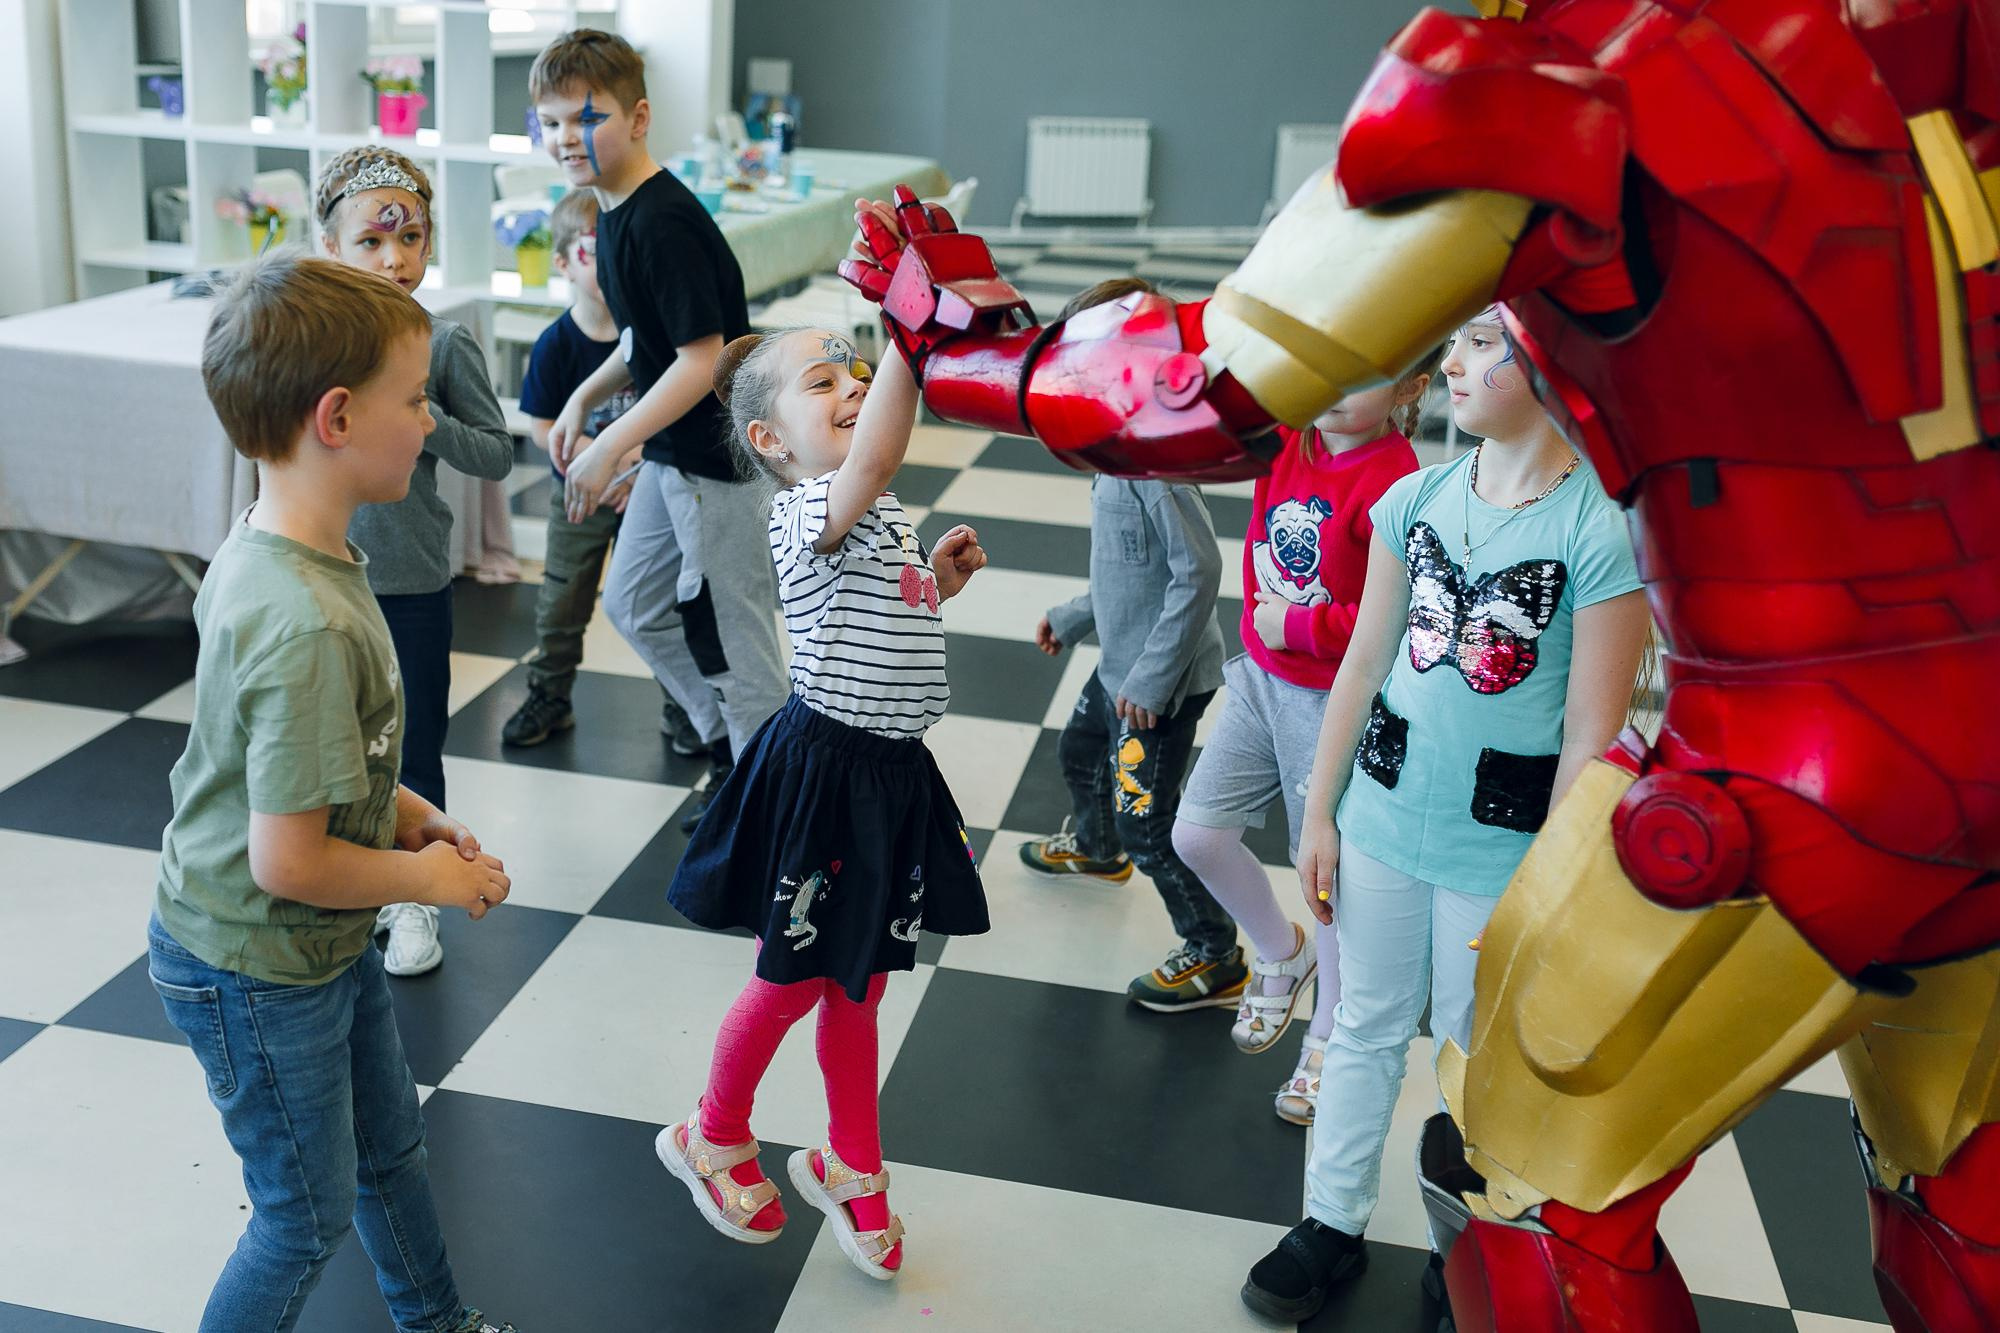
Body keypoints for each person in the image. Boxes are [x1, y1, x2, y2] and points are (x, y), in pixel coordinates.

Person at [1239, 307, 1650, 1322]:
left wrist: (1553, 889)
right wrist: (1317, 814)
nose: (1454, 363)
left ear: (1552, 364)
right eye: (1455, 341)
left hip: (1499, 851)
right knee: (1364, 1024)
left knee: (1475, 1055)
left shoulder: (1597, 530)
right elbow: (1363, 665)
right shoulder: (1413, 498)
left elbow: (1587, 739)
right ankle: (1328, 1220)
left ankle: (1459, 1246)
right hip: (1378, 820)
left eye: (1483, 344)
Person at [149, 253, 517, 1333]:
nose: (429, 421)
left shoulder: (290, 548)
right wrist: (428, 880)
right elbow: (289, 859)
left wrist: (404, 807)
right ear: (339, 416)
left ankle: (435, 1322)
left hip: (311, 942)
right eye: (417, 401)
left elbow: (319, 761)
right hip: (255, 960)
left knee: (388, 1148)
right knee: (300, 1216)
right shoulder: (300, 616)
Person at [657, 323, 990, 1280]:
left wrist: (942, 584)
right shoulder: (805, 510)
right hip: (827, 773)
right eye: (823, 381)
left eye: (856, 372)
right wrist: (908, 340)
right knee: (795, 974)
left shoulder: (880, 512)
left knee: (863, 979)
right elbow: (881, 444)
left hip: (891, 774)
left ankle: (852, 1160)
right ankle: (712, 1133)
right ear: (771, 441)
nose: (850, 389)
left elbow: (884, 611)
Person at [529, 29, 790, 831]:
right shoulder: (613, 211)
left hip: (714, 464)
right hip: (673, 457)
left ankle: (774, 800)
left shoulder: (663, 221)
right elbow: (645, 340)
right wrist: (585, 395)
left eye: (588, 116)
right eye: (552, 123)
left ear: (637, 117)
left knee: (736, 641)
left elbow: (700, 359)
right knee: (637, 606)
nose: (569, 137)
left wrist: (612, 443)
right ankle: (729, 749)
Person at [1172, 352, 1435, 1125]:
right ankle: (1282, 952)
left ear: (1411, 389)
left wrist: (1300, 623)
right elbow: (1218, 405)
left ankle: (1326, 1034)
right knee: (1197, 833)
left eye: (1363, 376)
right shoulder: (1289, 438)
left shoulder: (1398, 478)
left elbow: (1395, 617)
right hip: (1259, 677)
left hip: (1331, 700)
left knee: (1326, 878)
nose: (1335, 391)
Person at [314, 145, 515, 975]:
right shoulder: (311, 338)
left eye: (411, 239)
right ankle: (336, 885)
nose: (394, 258)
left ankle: (415, 898)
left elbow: (499, 455)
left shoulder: (445, 342)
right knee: (324, 742)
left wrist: (424, 411)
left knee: (411, 744)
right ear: (330, 247)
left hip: (410, 582)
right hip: (316, 578)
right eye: (370, 241)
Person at [1018, 280, 1242, 1010]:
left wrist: (1149, 681)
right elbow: (1127, 570)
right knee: (1078, 753)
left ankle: (1216, 952)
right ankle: (1095, 846)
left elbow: (1200, 569)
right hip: (1120, 664)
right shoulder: (1113, 453)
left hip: (1159, 687)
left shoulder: (1154, 464)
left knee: (1150, 825)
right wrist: (1077, 614)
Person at [501, 187, 705, 757]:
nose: (608, 268)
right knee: (563, 600)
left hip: (651, 487)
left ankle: (682, 704)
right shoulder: (556, 344)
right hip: (581, 496)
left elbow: (677, 405)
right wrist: (596, 454)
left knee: (663, 602)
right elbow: (543, 425)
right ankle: (549, 693)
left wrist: (631, 461)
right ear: (563, 263)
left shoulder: (656, 339)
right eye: (592, 254)